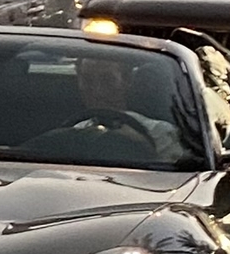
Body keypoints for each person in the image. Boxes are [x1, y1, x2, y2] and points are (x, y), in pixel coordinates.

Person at [22, 44, 175, 166]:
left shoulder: (161, 134)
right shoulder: (73, 133)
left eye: (107, 80)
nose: (97, 91)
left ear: (127, 80)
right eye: (88, 81)